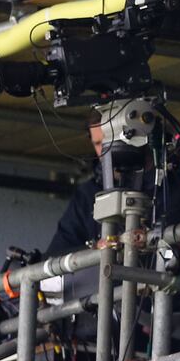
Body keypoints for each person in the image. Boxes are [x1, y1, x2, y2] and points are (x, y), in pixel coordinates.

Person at [45, 109, 104, 257]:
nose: (105, 150)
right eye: (98, 143)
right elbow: (56, 255)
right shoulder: (88, 194)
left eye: (110, 142)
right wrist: (95, 249)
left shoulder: (166, 183)